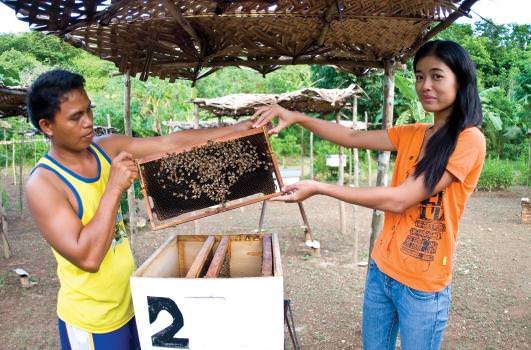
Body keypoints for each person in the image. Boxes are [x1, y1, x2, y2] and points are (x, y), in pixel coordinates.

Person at [252, 40, 486, 349]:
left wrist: (320, 187)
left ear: (461, 79)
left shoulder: (469, 140)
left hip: (422, 284)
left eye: (436, 75)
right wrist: (298, 117)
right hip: (381, 270)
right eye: (418, 76)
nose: (425, 85)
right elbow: (351, 137)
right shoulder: (413, 133)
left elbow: (399, 199)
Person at [25, 69, 253, 350]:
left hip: (131, 305)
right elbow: (88, 258)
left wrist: (241, 128)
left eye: (88, 111)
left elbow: (172, 143)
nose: (88, 123)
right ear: (47, 126)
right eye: (76, 117)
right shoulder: (44, 184)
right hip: (92, 323)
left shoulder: (105, 149)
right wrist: (113, 188)